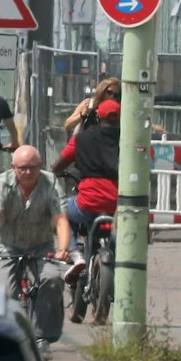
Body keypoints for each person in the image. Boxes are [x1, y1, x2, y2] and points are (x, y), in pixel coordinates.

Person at [0, 145, 72, 348]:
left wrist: (63, 248)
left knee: (52, 280)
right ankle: (7, 335)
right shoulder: (3, 182)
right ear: (13, 167)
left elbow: (60, 219)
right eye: (22, 168)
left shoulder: (50, 182)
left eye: (33, 167)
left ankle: (43, 336)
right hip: (7, 245)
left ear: (41, 166)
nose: (28, 172)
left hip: (40, 244)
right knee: (5, 291)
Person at [52, 97, 121, 279]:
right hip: (118, 203)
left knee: (62, 213)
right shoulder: (127, 139)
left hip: (88, 202)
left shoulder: (81, 138)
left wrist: (57, 171)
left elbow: (59, 164)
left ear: (97, 116)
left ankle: (75, 254)